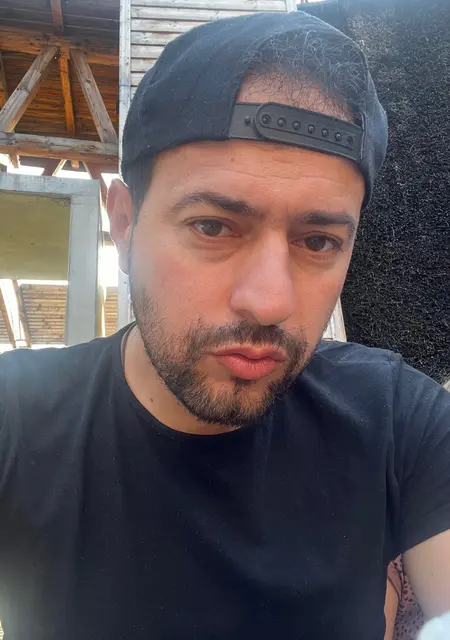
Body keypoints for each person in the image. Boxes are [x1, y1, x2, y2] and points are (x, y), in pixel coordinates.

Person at [0, 10, 449, 640]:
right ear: (124, 225)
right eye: (213, 227)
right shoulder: (17, 417)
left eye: (317, 241)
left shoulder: (399, 420)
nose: (268, 301)